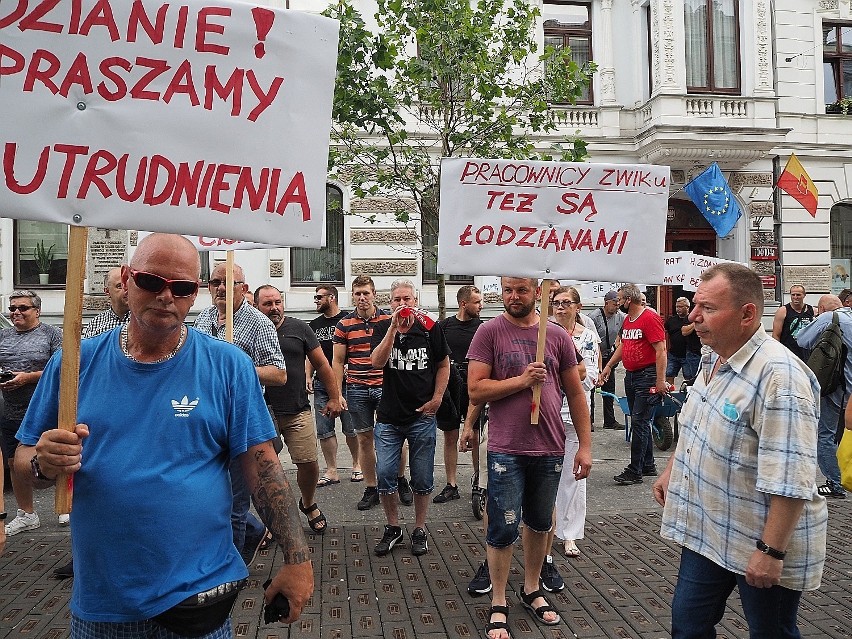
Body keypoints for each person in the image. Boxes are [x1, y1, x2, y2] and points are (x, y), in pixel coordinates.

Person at [15, 233, 313, 636]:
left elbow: (262, 469)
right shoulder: (74, 363)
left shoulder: (228, 365)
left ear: (195, 295)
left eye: (182, 287)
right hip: (105, 602)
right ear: (126, 279)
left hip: (198, 600)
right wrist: (42, 463)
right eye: (151, 282)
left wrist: (298, 560)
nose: (166, 296)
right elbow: (24, 461)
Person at [653, 263, 827, 638]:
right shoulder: (714, 356)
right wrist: (673, 467)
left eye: (708, 309)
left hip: (760, 536)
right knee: (688, 624)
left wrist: (771, 551)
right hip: (709, 526)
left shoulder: (780, 377)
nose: (695, 317)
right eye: (695, 305)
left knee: (771, 632)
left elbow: (791, 473)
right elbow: (697, 421)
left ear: (748, 314)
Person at [466, 277, 592, 639]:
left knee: (540, 523)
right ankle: (500, 600)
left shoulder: (556, 336)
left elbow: (577, 393)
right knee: (502, 527)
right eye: (507, 290)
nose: (513, 297)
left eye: (521, 290)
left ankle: (532, 588)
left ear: (538, 291)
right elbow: (476, 389)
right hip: (506, 448)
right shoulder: (489, 332)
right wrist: (521, 381)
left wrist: (585, 445)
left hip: (550, 446)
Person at [194, 263, 287, 563]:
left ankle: (231, 569)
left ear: (244, 289)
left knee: (235, 502)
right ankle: (255, 530)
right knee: (208, 496)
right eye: (215, 282)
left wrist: (238, 369)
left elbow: (279, 374)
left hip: (241, 422)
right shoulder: (203, 319)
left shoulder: (259, 323)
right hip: (206, 420)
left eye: (229, 283)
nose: (221, 288)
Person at [370, 280, 450, 556]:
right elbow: (377, 362)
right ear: (389, 302)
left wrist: (438, 397)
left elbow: (443, 364)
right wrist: (393, 328)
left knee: (422, 476)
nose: (402, 304)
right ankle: (392, 527)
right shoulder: (382, 327)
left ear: (415, 300)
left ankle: (419, 528)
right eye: (396, 300)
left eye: (407, 299)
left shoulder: (429, 328)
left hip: (422, 415)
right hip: (389, 417)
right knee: (384, 474)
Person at [256, 285, 344, 534]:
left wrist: (335, 397)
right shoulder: (250, 332)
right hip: (263, 413)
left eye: (277, 302)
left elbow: (323, 365)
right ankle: (271, 519)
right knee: (266, 472)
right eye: (267, 304)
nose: (274, 308)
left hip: (297, 410)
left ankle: (308, 503)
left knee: (309, 464)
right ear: (256, 306)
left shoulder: (299, 328)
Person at [332, 276, 401, 511]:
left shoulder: (388, 319)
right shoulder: (344, 324)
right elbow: (338, 361)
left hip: (385, 386)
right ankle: (371, 487)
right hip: (357, 387)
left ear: (374, 295)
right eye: (357, 293)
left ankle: (399, 481)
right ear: (352, 295)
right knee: (364, 438)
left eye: (366, 293)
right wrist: (337, 392)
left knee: (394, 436)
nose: (362, 298)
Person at [0, 290, 63, 535]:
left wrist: (28, 378)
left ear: (37, 311)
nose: (16, 312)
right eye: (12, 308)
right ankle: (27, 513)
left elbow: (61, 367)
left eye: (23, 308)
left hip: (43, 409)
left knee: (55, 458)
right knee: (14, 463)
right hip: (12, 409)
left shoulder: (51, 334)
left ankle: (62, 506)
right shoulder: (4, 335)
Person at [549, 286, 600, 566]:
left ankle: (570, 533)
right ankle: (544, 526)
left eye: (566, 303)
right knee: (546, 474)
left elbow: (587, 375)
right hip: (547, 413)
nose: (560, 307)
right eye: (556, 303)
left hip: (575, 413)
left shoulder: (588, 337)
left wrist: (561, 373)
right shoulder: (545, 334)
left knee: (574, 474)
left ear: (578, 307)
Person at [600, 283, 667, 485]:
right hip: (632, 375)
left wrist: (660, 380)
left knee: (639, 421)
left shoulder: (649, 318)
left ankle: (634, 470)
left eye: (620, 299)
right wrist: (609, 365)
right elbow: (623, 346)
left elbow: (660, 350)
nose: (618, 303)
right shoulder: (628, 320)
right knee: (640, 420)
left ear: (629, 300)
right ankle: (647, 464)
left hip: (647, 375)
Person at [795, 293, 852, 499]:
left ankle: (835, 483)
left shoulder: (828, 318)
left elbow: (802, 339)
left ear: (822, 309)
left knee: (825, 433)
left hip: (837, 386)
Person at [433, 285, 484, 504]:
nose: (481, 306)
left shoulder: (483, 329)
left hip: (474, 385)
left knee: (474, 434)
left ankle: (479, 481)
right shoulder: (444, 326)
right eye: (477, 302)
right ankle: (451, 484)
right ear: (464, 303)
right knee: (450, 434)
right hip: (450, 386)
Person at [308, 285, 360, 485]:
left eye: (319, 297)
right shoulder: (313, 325)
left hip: (348, 383)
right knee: (325, 428)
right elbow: (310, 354)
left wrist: (351, 364)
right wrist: (308, 375)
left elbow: (359, 347)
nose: (316, 300)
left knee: (352, 427)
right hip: (322, 384)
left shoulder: (348, 320)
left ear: (332, 297)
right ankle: (331, 470)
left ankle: (357, 465)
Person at [588, 290, 626, 430]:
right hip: (593, 356)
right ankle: (589, 420)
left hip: (609, 355)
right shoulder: (594, 317)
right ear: (606, 303)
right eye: (615, 304)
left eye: (619, 304)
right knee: (591, 388)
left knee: (609, 388)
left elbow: (625, 332)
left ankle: (609, 421)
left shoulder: (621, 316)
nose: (617, 306)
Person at [83, 267, 130, 338]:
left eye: (129, 285)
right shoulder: (96, 324)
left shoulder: (143, 320)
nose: (127, 290)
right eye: (120, 286)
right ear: (107, 291)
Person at [664, 297, 702, 385]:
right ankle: (670, 395)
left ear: (687, 307)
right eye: (677, 306)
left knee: (689, 377)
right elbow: (664, 333)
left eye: (681, 307)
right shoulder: (671, 320)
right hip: (673, 354)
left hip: (688, 354)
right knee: (669, 374)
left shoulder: (691, 319)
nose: (678, 309)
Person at [772, 284, 814, 360]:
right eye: (793, 295)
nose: (795, 297)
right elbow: (776, 335)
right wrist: (778, 352)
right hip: (789, 352)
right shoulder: (783, 311)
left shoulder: (812, 310)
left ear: (804, 295)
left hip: (807, 353)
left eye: (798, 295)